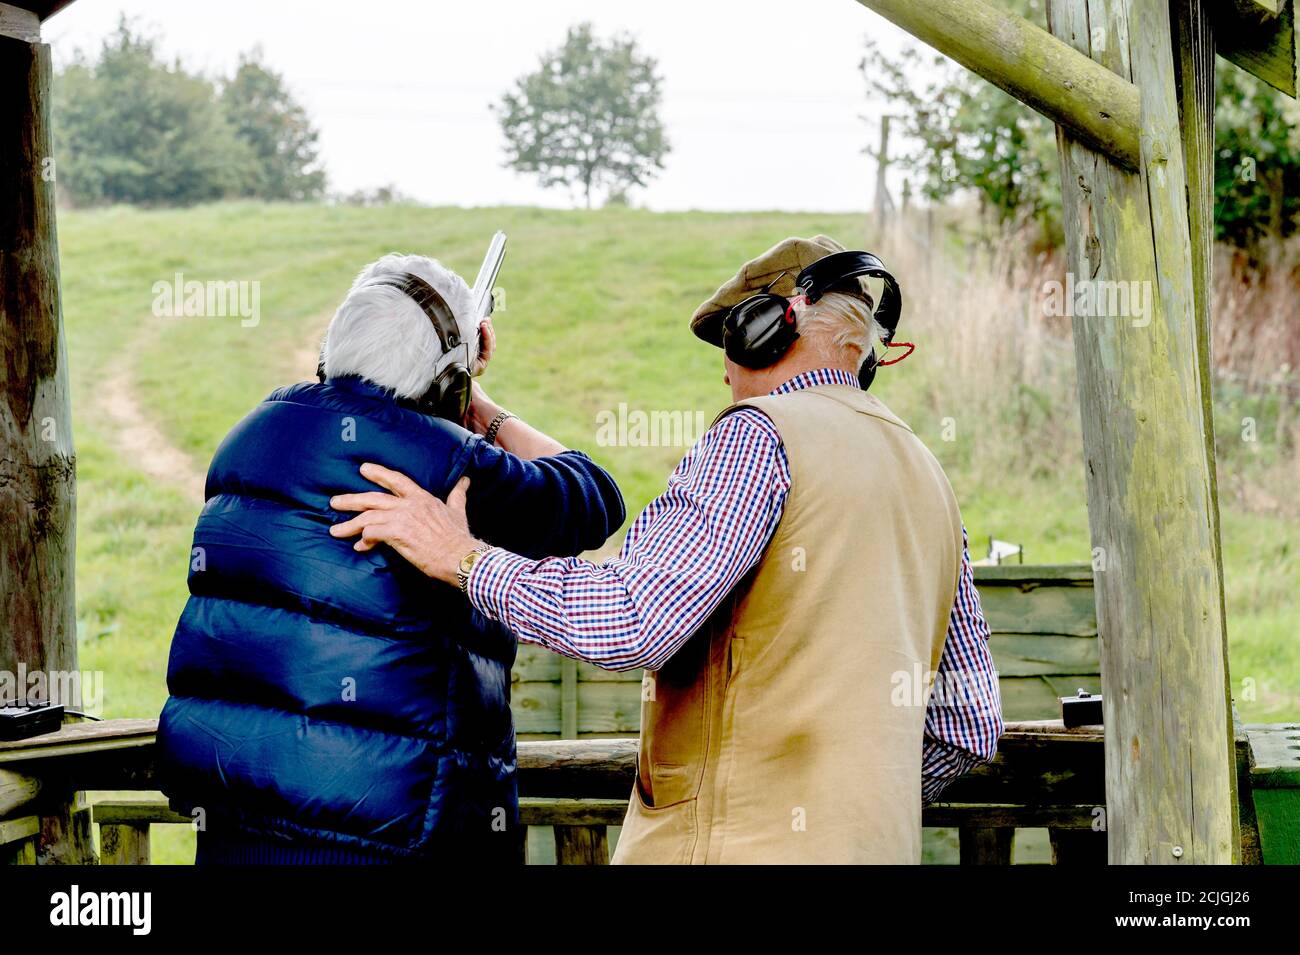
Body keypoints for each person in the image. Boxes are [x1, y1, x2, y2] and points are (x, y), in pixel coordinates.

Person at [329, 236, 1004, 864]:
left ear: (771, 329)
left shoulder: (757, 437)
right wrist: (842, 807)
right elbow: (967, 720)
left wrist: (465, 557)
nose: (726, 376)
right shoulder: (925, 472)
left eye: (732, 344)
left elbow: (634, 617)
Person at [156, 252, 624, 864]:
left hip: (238, 817)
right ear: (448, 377)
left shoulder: (250, 437)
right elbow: (593, 495)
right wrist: (484, 405)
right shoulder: (447, 463)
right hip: (397, 831)